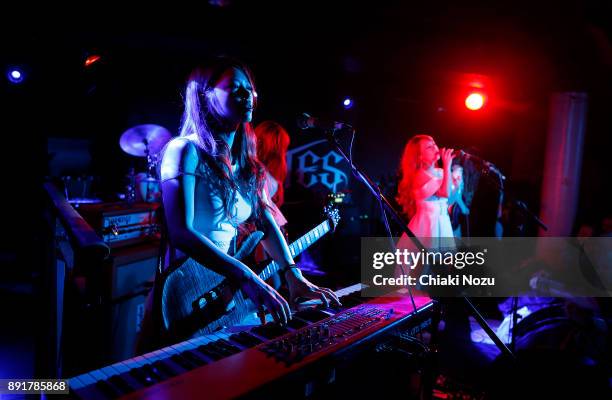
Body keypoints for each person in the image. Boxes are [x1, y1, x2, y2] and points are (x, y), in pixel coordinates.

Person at [156, 57, 340, 333]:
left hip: (225, 288)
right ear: (206, 96)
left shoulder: (247, 164)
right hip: (186, 290)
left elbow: (265, 223)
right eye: (235, 88)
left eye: (250, 89)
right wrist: (246, 276)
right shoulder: (184, 150)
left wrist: (293, 274)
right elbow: (181, 231)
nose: (248, 95)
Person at [396, 134, 455, 249]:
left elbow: (450, 197)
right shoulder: (419, 176)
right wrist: (447, 166)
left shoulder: (441, 172)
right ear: (420, 156)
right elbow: (444, 193)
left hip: (443, 222)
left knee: (445, 264)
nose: (435, 148)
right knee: (424, 264)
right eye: (429, 147)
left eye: (434, 144)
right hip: (428, 225)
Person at [448, 164, 470, 237]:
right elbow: (450, 200)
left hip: (455, 218)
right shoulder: (449, 181)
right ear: (452, 171)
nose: (460, 173)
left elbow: (458, 198)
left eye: (461, 171)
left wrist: (463, 208)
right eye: (459, 171)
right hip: (447, 215)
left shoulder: (460, 182)